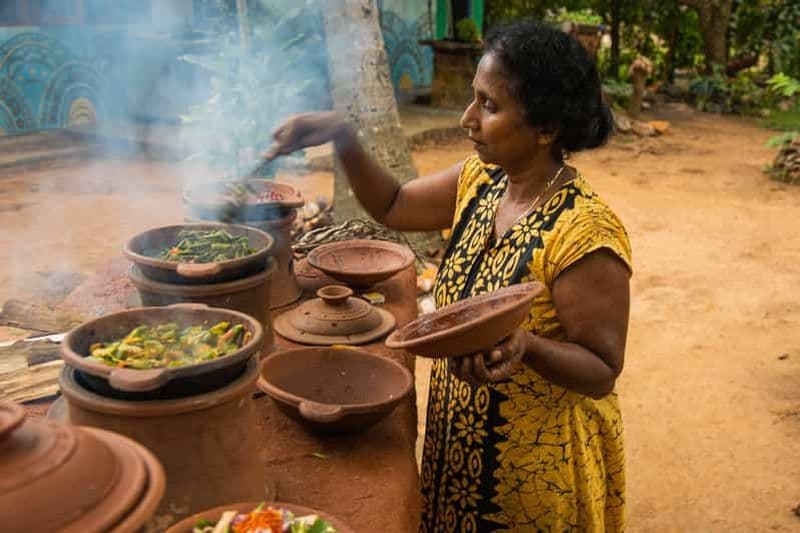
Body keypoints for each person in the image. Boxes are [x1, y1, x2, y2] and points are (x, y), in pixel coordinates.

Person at [264, 20, 631, 533]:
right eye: (472, 99)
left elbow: (601, 368)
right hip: (459, 450)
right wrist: (343, 138)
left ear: (546, 128)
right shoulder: (480, 181)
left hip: (533, 474)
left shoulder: (583, 233)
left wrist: (527, 345)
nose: (468, 118)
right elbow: (393, 204)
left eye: (490, 106)